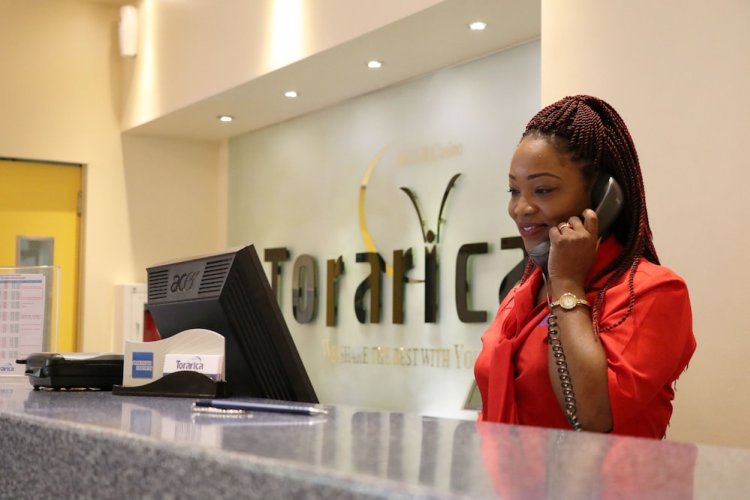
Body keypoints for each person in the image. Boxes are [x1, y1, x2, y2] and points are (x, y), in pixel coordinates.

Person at [474, 95, 696, 438]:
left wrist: (566, 285)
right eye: (514, 190)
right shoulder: (524, 291)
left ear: (601, 195)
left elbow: (591, 416)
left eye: (542, 190)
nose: (520, 209)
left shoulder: (655, 291)